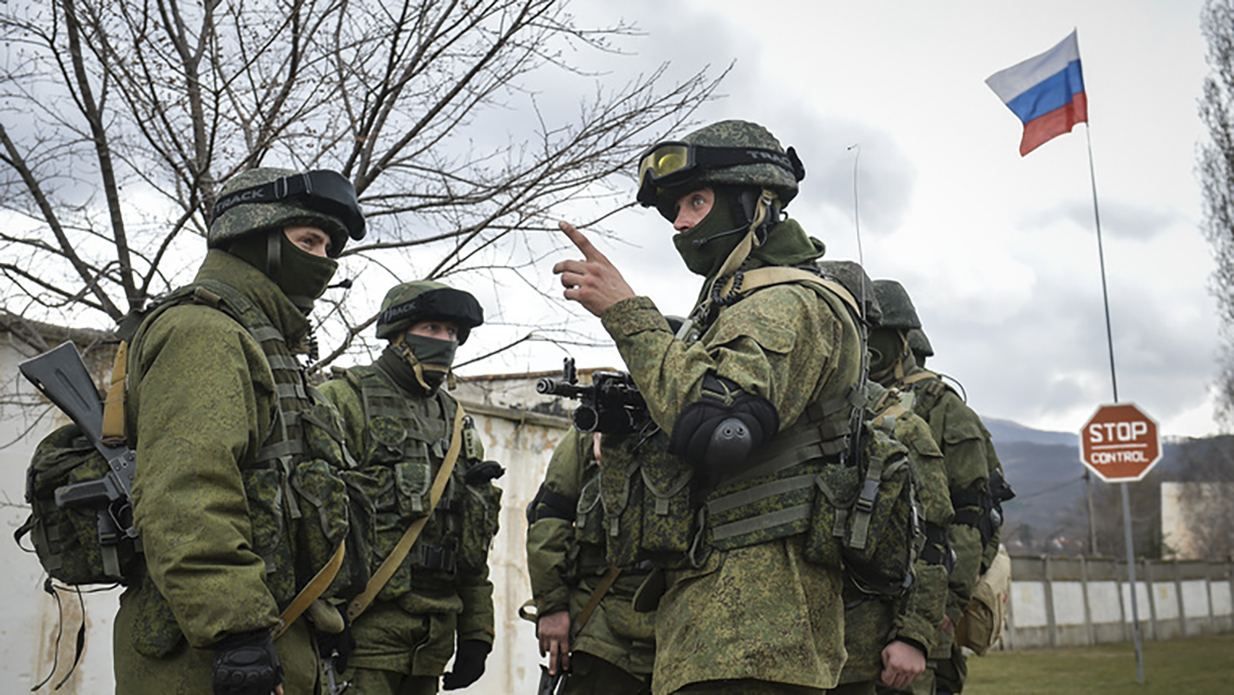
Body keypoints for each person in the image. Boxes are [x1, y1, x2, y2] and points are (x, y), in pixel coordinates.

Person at [552, 119, 864, 693]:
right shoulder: (733, 305)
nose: (680, 223)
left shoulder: (785, 303)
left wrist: (626, 313)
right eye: (675, 209)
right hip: (717, 631)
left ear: (757, 203)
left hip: (755, 636)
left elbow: (719, 430)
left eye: (696, 201)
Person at [114, 167, 367, 694]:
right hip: (209, 657)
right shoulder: (203, 333)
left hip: (278, 634)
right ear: (255, 236)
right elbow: (187, 491)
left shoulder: (262, 339)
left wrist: (326, 617)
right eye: (308, 241)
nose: (323, 261)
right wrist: (238, 634)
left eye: (328, 247)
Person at [318, 280, 502, 695]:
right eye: (432, 328)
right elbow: (310, 525)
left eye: (453, 333)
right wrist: (323, 618)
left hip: (431, 644)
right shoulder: (342, 400)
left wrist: (477, 631)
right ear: (398, 333)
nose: (445, 341)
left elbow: (473, 537)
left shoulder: (456, 423)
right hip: (361, 638)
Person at [815, 262, 953, 695]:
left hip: (856, 651)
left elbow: (931, 539)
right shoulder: (763, 418)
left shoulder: (896, 425)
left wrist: (914, 634)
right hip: (764, 651)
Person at [869, 280, 1007, 695]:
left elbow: (971, 520)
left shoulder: (945, 410)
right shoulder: (852, 402)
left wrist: (941, 609)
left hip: (923, 609)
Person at [526, 427, 656, 695]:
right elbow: (550, 519)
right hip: (600, 629)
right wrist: (552, 607)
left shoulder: (693, 421)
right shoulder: (589, 431)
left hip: (675, 631)